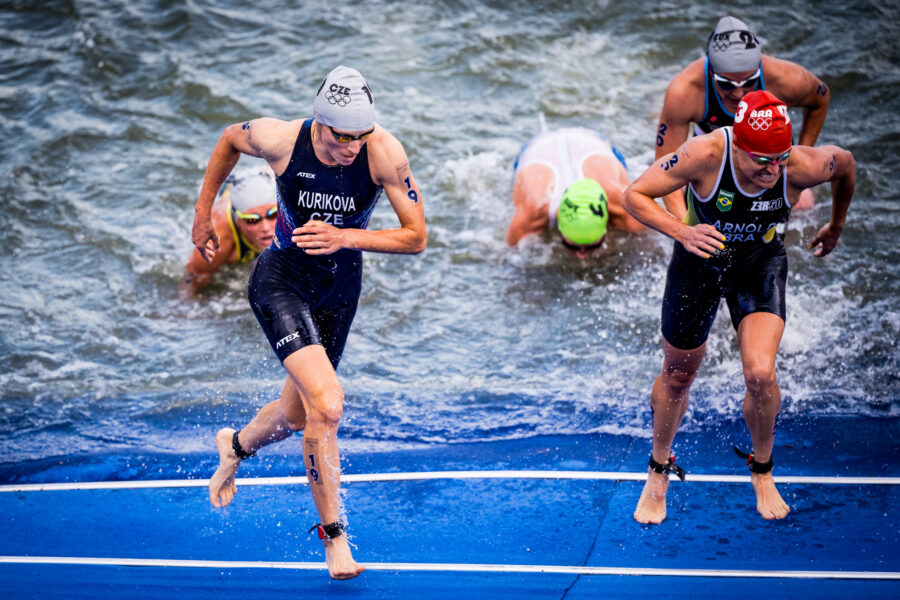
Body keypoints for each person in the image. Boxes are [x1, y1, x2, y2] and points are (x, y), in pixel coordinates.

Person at [192, 65, 427, 579]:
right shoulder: (280, 140)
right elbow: (229, 139)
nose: (353, 149)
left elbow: (416, 237)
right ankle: (334, 538)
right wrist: (204, 211)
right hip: (280, 279)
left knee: (299, 416)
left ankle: (234, 446)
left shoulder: (384, 152)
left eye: (361, 137)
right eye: (345, 138)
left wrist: (348, 238)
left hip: (339, 288)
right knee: (328, 403)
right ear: (321, 123)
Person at [623, 90, 854, 524]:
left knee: (761, 374)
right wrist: (682, 231)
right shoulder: (704, 153)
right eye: (761, 160)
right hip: (699, 263)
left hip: (759, 265)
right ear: (739, 146)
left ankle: (762, 470)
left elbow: (846, 164)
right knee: (677, 375)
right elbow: (633, 195)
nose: (772, 170)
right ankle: (658, 471)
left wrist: (836, 224)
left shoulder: (800, 164)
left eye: (780, 158)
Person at [655, 16, 830, 218]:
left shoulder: (785, 78)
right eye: (726, 84)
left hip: (768, 158)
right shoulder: (685, 91)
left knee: (803, 204)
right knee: (695, 200)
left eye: (749, 82)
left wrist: (802, 154)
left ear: (758, 70)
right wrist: (684, 228)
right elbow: (664, 170)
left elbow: (821, 98)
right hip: (715, 157)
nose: (738, 94)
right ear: (711, 73)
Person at [507, 127, 645, 259]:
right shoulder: (533, 211)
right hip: (536, 149)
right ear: (560, 225)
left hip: (592, 142)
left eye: (593, 245)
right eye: (571, 245)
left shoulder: (624, 208)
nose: (582, 256)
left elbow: (650, 244)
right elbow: (510, 254)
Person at [179, 166, 277, 297]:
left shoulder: (293, 217)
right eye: (252, 220)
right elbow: (193, 277)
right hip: (222, 204)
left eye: (272, 215)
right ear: (238, 221)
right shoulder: (219, 239)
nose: (265, 227)